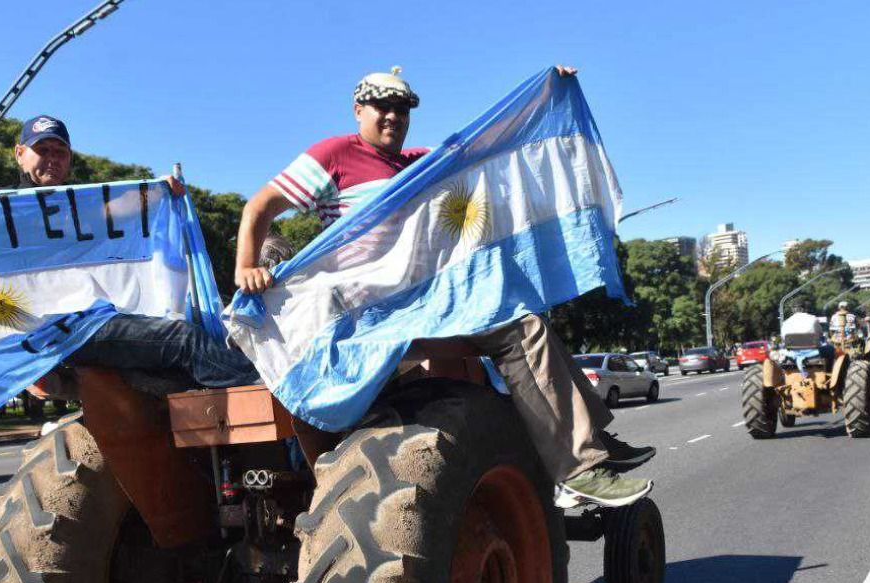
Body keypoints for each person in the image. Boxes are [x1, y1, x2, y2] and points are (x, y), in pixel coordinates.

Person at [233, 67, 654, 501]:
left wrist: (549, 88)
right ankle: (578, 466)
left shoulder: (421, 165)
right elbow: (261, 206)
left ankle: (591, 444)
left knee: (524, 319)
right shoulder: (336, 154)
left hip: (429, 302)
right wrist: (246, 266)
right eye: (382, 106)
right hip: (375, 314)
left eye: (401, 108)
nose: (393, 116)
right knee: (521, 333)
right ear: (358, 109)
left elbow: (495, 146)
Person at [0, 115, 258, 389]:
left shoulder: (86, 206)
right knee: (183, 340)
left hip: (95, 321)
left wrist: (160, 191)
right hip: (60, 329)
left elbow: (125, 207)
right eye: (42, 149)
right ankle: (258, 401)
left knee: (181, 347)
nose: (51, 157)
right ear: (19, 155)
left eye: (60, 150)